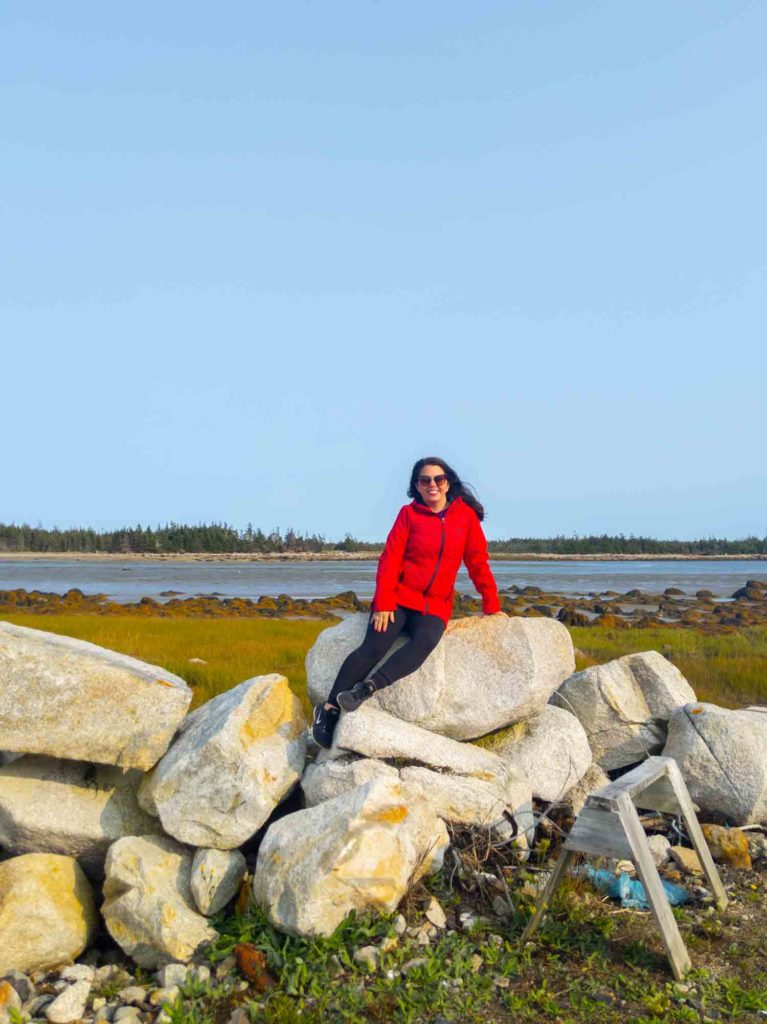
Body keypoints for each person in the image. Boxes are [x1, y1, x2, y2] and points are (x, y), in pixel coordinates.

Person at [311, 456, 505, 748]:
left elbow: (477, 562)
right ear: (417, 485)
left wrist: (492, 604)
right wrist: (384, 602)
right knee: (374, 646)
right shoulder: (408, 515)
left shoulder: (465, 518)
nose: (432, 485)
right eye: (425, 480)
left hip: (435, 604)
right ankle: (328, 710)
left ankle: (366, 689)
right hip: (400, 597)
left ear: (447, 482)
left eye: (438, 479)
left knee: (426, 641)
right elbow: (390, 559)